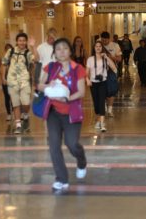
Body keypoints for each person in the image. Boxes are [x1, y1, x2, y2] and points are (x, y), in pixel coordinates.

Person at [37, 38, 87, 191]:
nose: (62, 51)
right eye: (58, 49)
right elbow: (38, 85)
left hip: (71, 112)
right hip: (53, 112)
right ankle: (61, 179)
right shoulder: (50, 68)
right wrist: (47, 86)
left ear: (70, 51)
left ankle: (81, 160)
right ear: (55, 53)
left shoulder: (77, 68)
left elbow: (81, 92)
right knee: (54, 146)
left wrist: (66, 98)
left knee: (72, 144)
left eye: (65, 48)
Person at [1, 33, 35, 134]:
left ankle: (25, 113)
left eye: (24, 40)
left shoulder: (28, 53)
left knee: (26, 103)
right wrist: (3, 77)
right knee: (15, 103)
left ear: (26, 42)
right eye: (20, 40)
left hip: (24, 81)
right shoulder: (10, 51)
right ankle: (18, 125)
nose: (22, 42)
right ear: (16, 41)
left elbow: (35, 59)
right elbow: (4, 63)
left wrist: (33, 47)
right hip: (12, 81)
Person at [86, 41, 117, 132]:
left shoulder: (105, 58)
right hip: (93, 83)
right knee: (96, 105)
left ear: (102, 48)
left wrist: (107, 57)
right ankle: (99, 120)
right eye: (96, 46)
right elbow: (87, 72)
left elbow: (114, 68)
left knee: (101, 102)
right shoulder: (90, 59)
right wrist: (87, 79)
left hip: (103, 82)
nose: (98, 48)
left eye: (100, 46)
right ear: (94, 48)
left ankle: (102, 124)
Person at [100, 32, 121, 117]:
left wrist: (110, 56)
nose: (103, 41)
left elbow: (119, 59)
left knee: (112, 91)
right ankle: (104, 107)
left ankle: (110, 110)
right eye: (102, 40)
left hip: (112, 71)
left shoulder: (115, 46)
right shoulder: (98, 46)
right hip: (100, 71)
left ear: (109, 39)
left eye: (105, 40)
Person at [0, 43, 14, 121]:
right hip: (5, 80)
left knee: (13, 96)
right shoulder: (2, 58)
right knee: (7, 97)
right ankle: (9, 114)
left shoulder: (15, 58)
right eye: (7, 49)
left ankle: (14, 111)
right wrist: (2, 75)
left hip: (13, 80)